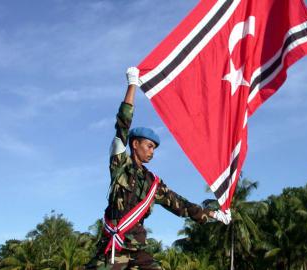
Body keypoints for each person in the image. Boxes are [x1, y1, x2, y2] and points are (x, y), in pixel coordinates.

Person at [86, 67, 231, 270]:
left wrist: (214, 216)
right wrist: (132, 85)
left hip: (138, 250)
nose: (152, 152)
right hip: (114, 249)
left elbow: (181, 205)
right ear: (135, 144)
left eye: (154, 148)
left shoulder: (153, 183)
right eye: (149, 146)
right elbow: (122, 125)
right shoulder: (119, 165)